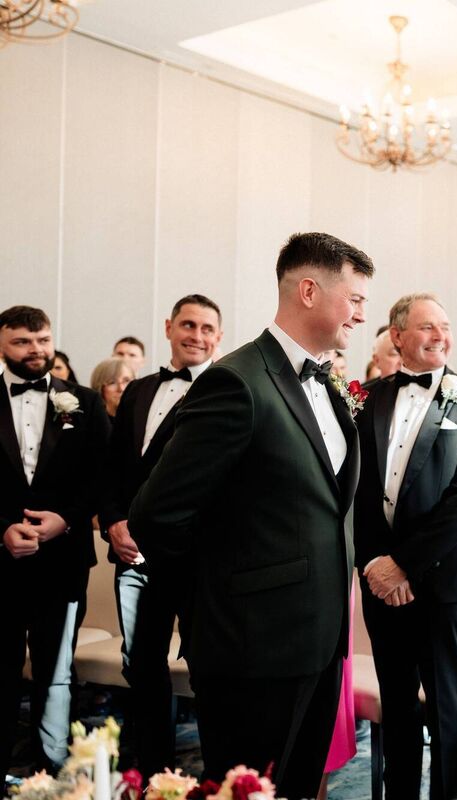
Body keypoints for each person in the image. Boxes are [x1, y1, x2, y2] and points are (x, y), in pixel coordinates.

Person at [128, 233, 373, 798]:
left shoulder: (329, 384)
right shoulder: (236, 382)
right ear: (309, 291)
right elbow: (156, 515)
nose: (362, 314)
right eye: (355, 298)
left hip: (321, 639)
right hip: (250, 651)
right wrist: (221, 600)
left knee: (298, 786)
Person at [354, 293, 457, 800]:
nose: (440, 336)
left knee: (445, 708)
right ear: (397, 336)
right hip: (381, 580)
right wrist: (374, 563)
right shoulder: (365, 397)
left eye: (445, 325)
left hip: (443, 578)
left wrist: (403, 565)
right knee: (397, 704)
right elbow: (356, 491)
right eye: (426, 327)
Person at [99, 294, 223, 774]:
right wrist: (113, 523)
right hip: (131, 554)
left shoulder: (227, 390)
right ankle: (152, 773)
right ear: (169, 327)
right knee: (142, 666)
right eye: (187, 325)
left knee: (206, 670)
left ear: (219, 337)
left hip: (195, 559)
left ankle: (220, 778)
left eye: (206, 328)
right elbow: (112, 472)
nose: (196, 336)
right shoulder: (137, 390)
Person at [1, 306, 109, 776]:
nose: (36, 350)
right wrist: (2, 530)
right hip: (0, 563)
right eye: (23, 341)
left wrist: (65, 520)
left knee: (56, 672)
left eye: (42, 339)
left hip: (62, 563)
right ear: (2, 344)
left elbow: (104, 479)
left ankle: (54, 767)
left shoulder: (83, 402)